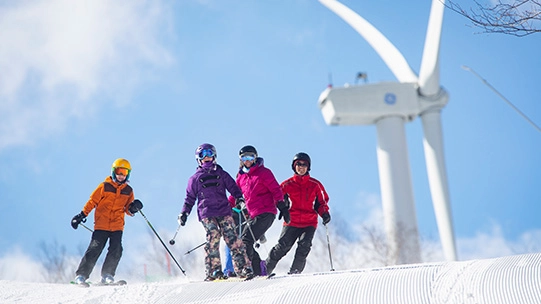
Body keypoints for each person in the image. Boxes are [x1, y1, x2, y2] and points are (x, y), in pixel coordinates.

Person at [178, 143, 253, 281]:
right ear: (198, 159)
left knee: (232, 237)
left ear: (214, 156)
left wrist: (239, 198)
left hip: (224, 210)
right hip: (207, 213)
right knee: (213, 236)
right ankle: (214, 270)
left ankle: (243, 268)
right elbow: (189, 198)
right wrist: (184, 213)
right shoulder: (194, 179)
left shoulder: (221, 174)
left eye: (209, 153)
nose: (206, 157)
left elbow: (233, 187)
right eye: (203, 155)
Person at [71, 158, 143, 285]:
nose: (121, 175)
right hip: (101, 225)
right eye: (119, 171)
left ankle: (107, 275)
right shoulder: (104, 186)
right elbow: (92, 201)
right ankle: (81, 275)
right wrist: (81, 215)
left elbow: (127, 209)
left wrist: (133, 208)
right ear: (114, 172)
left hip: (117, 226)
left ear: (128, 174)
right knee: (95, 248)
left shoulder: (128, 191)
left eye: (124, 173)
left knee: (116, 249)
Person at [265, 152, 330, 275]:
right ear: (294, 166)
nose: (301, 167)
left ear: (308, 167)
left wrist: (325, 213)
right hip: (292, 220)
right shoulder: (287, 184)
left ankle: (295, 271)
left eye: (304, 165)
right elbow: (276, 198)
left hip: (309, 222)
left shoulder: (315, 184)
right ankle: (265, 269)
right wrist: (282, 207)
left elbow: (321, 202)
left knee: (304, 246)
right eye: (298, 164)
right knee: (282, 247)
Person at [233, 145, 290, 276]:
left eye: (250, 157)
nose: (247, 160)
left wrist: (282, 206)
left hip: (266, 213)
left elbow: (276, 190)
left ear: (255, 158)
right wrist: (228, 207)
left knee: (245, 240)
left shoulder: (264, 173)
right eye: (244, 157)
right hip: (253, 216)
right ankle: (259, 269)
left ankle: (247, 270)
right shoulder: (241, 177)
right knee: (245, 241)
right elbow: (234, 194)